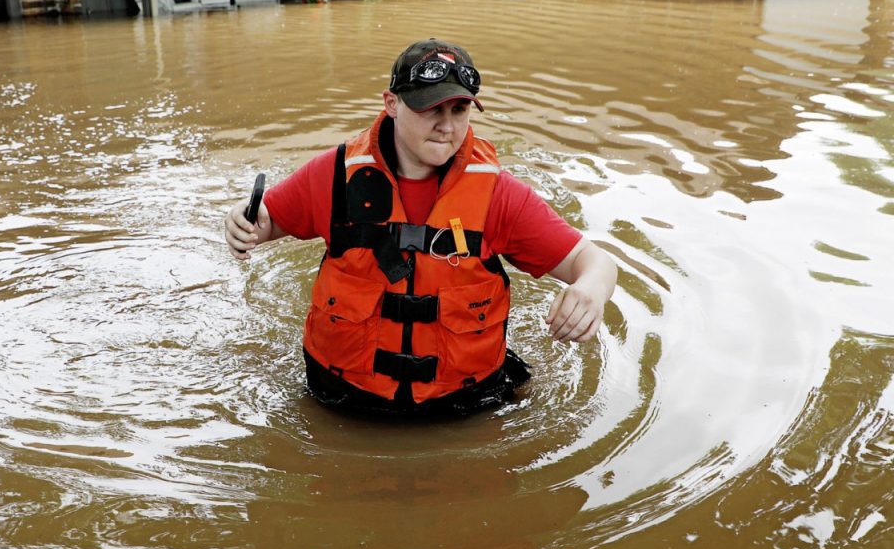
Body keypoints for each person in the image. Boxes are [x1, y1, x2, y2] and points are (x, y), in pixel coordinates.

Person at [224, 39, 617, 417]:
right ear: (392, 104)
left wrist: (590, 290)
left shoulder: (498, 195)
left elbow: (594, 261)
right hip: (340, 397)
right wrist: (246, 222)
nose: (447, 126)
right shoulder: (333, 175)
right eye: (432, 109)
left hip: (465, 404)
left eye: (460, 110)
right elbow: (268, 218)